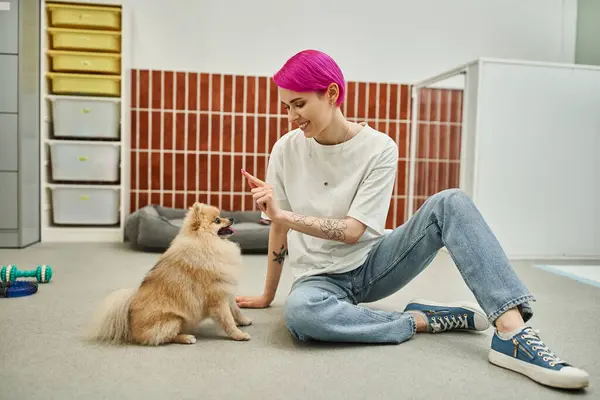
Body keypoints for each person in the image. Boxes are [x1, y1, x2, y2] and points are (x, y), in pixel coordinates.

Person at [235, 49, 589, 390]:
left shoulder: (379, 148)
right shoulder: (285, 150)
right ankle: (423, 320)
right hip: (318, 280)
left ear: (331, 94)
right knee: (301, 315)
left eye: (299, 104)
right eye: (286, 106)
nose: (291, 117)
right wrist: (268, 295)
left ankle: (513, 334)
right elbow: (278, 227)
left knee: (450, 202)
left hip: (374, 265)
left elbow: (352, 232)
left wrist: (283, 214)